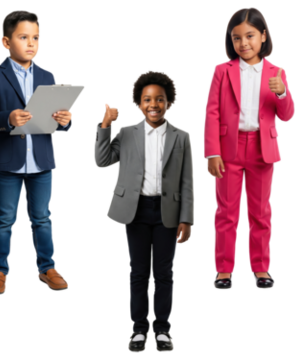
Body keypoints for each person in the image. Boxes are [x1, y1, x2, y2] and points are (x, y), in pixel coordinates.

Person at [93, 69, 195, 352]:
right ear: (138, 103)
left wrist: (187, 218)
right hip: (135, 210)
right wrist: (105, 126)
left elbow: (188, 182)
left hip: (167, 212)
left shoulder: (181, 137)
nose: (154, 104)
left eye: (160, 99)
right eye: (147, 99)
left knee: (164, 272)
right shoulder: (127, 133)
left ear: (169, 102)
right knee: (138, 271)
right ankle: (138, 329)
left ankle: (162, 328)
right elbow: (101, 160)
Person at [0, 10, 73, 295]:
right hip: (8, 161)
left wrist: (65, 121)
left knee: (42, 217)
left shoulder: (47, 75)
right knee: (4, 218)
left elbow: (56, 119)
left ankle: (48, 267)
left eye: (36, 38)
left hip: (41, 161)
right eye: (23, 37)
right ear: (6, 42)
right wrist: (8, 118)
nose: (31, 43)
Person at [203, 7, 294, 291]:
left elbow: (287, 115)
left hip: (262, 149)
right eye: (237, 37)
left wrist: (282, 92)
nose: (244, 43)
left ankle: (262, 269)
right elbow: (212, 113)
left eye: (250, 36)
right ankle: (223, 271)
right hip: (227, 149)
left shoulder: (277, 72)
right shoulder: (221, 71)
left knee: (261, 212)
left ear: (263, 36)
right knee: (225, 212)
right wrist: (212, 153)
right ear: (230, 40)